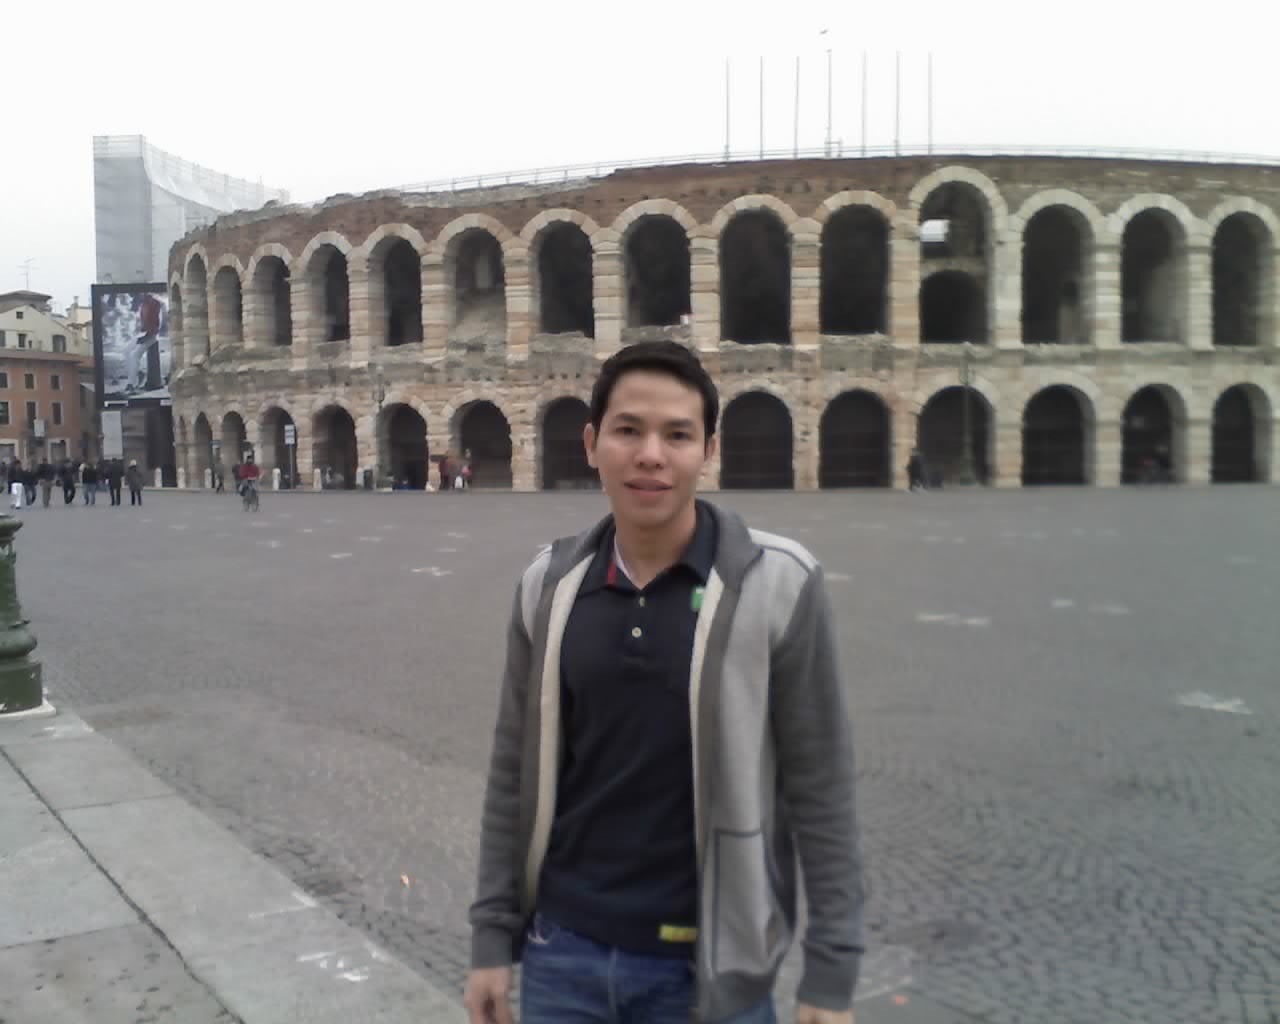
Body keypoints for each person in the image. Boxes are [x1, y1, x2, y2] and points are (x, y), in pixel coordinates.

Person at [465, 341, 864, 1024]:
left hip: (711, 965)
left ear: (708, 450)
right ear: (592, 444)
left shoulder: (779, 583)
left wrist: (831, 971)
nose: (650, 455)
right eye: (628, 430)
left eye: (677, 435)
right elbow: (512, 772)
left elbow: (820, 783)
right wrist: (490, 938)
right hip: (563, 954)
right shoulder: (548, 586)